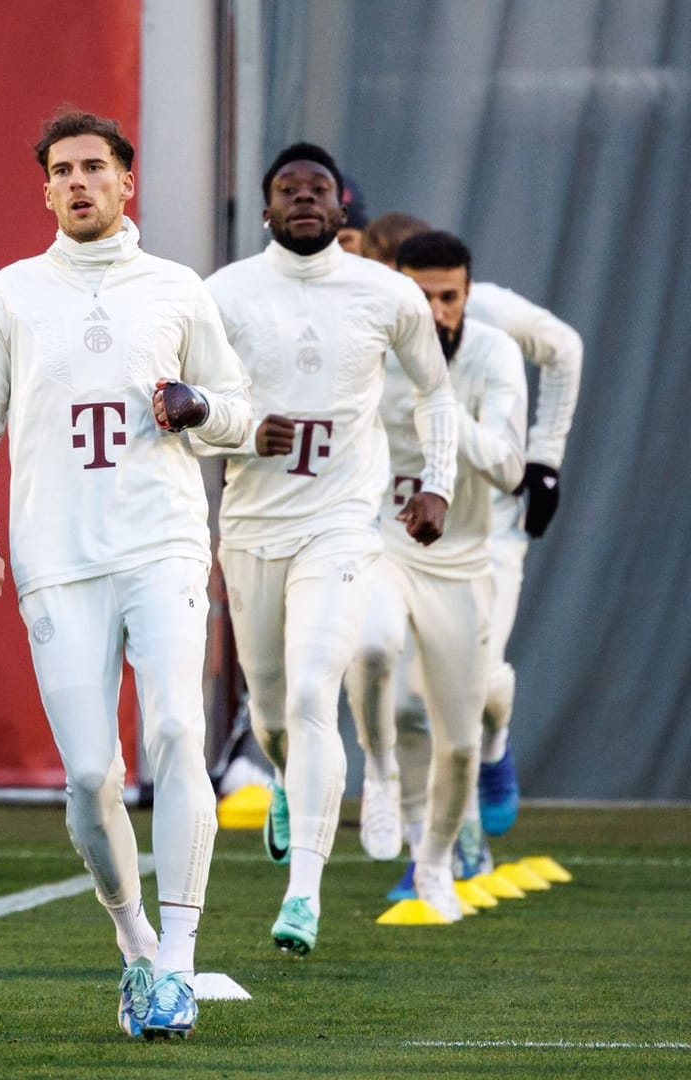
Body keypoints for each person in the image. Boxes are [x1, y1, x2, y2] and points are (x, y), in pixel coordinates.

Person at [0, 109, 250, 1039]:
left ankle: (181, 963)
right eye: (62, 170)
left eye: (95, 167)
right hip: (56, 559)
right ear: (43, 189)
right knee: (88, 775)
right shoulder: (7, 295)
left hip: (159, 543)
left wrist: (197, 407)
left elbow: (240, 413)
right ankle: (135, 951)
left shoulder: (176, 289)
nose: (79, 182)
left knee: (173, 730)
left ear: (127, 184)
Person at [200, 143, 459, 955]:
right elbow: (182, 407)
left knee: (317, 688)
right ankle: (283, 779)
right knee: (275, 715)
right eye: (288, 189)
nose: (304, 198)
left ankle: (302, 893)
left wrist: (438, 482)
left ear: (343, 208)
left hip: (343, 523)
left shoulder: (387, 293)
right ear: (268, 209)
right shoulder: (223, 295)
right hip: (252, 526)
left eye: (319, 188)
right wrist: (238, 432)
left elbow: (434, 392)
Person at [358, 211, 584, 839]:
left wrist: (546, 459)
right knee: (399, 686)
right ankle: (425, 843)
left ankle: (493, 741)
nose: (423, 309)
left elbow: (564, 349)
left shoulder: (490, 323)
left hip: (488, 528)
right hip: (399, 531)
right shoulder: (371, 331)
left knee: (473, 682)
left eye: (441, 293)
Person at [343, 231, 525, 920]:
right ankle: (383, 774)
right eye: (421, 297)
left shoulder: (494, 352)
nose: (436, 310)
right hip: (384, 542)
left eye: (448, 297)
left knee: (460, 738)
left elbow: (509, 467)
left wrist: (441, 407)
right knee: (374, 651)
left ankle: (440, 859)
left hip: (465, 558)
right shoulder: (370, 355)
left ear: (467, 296)